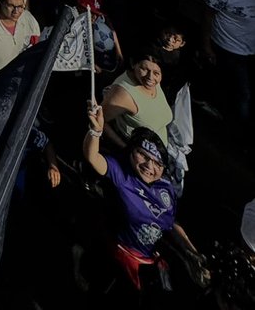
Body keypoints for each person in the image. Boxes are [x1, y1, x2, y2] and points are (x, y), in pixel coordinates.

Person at [83, 102, 209, 294]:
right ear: (131, 151)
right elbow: (93, 158)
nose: (150, 166)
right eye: (143, 155)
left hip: (150, 260)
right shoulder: (121, 174)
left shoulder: (165, 187)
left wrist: (193, 253)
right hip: (120, 258)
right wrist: (95, 132)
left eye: (158, 163)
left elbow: (170, 223)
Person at [202, 0, 255, 135]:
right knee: (243, 92)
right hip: (229, 46)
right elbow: (208, 16)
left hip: (250, 48)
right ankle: (239, 131)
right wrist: (206, 45)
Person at [101, 47, 173, 151]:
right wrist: (127, 149)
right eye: (144, 69)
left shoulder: (152, 82)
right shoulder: (123, 94)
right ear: (133, 64)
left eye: (156, 73)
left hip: (159, 152)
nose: (150, 77)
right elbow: (99, 121)